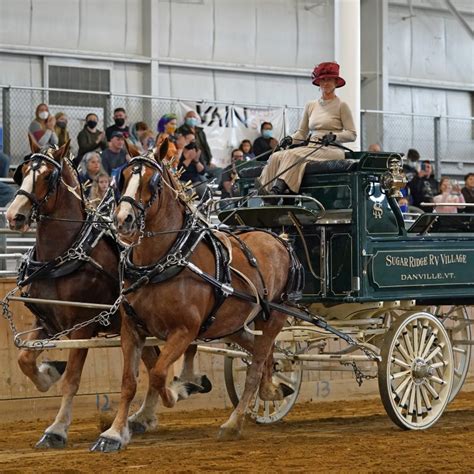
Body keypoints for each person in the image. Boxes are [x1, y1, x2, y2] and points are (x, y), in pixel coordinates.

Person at [259, 62, 356, 199]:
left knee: (292, 155)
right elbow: (302, 133)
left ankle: (278, 190)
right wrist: (290, 139)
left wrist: (334, 137)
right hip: (312, 146)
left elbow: (352, 134)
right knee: (276, 156)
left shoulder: (342, 105)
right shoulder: (311, 105)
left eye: (329, 79)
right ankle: (264, 191)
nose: (326, 83)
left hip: (331, 149)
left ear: (336, 82)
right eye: (323, 79)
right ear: (319, 83)